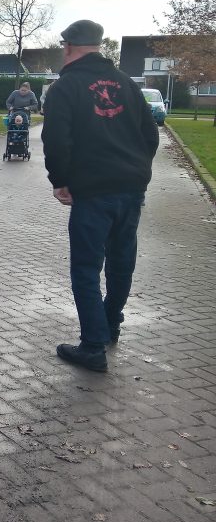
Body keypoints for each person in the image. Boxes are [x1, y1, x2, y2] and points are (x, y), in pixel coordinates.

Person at [41, 19, 159, 372]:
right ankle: (110, 324)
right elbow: (151, 134)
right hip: (131, 189)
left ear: (67, 47)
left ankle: (93, 346)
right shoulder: (126, 83)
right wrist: (137, 169)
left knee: (86, 269)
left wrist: (60, 180)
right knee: (122, 263)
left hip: (92, 192)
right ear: (99, 46)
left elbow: (56, 139)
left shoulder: (66, 86)